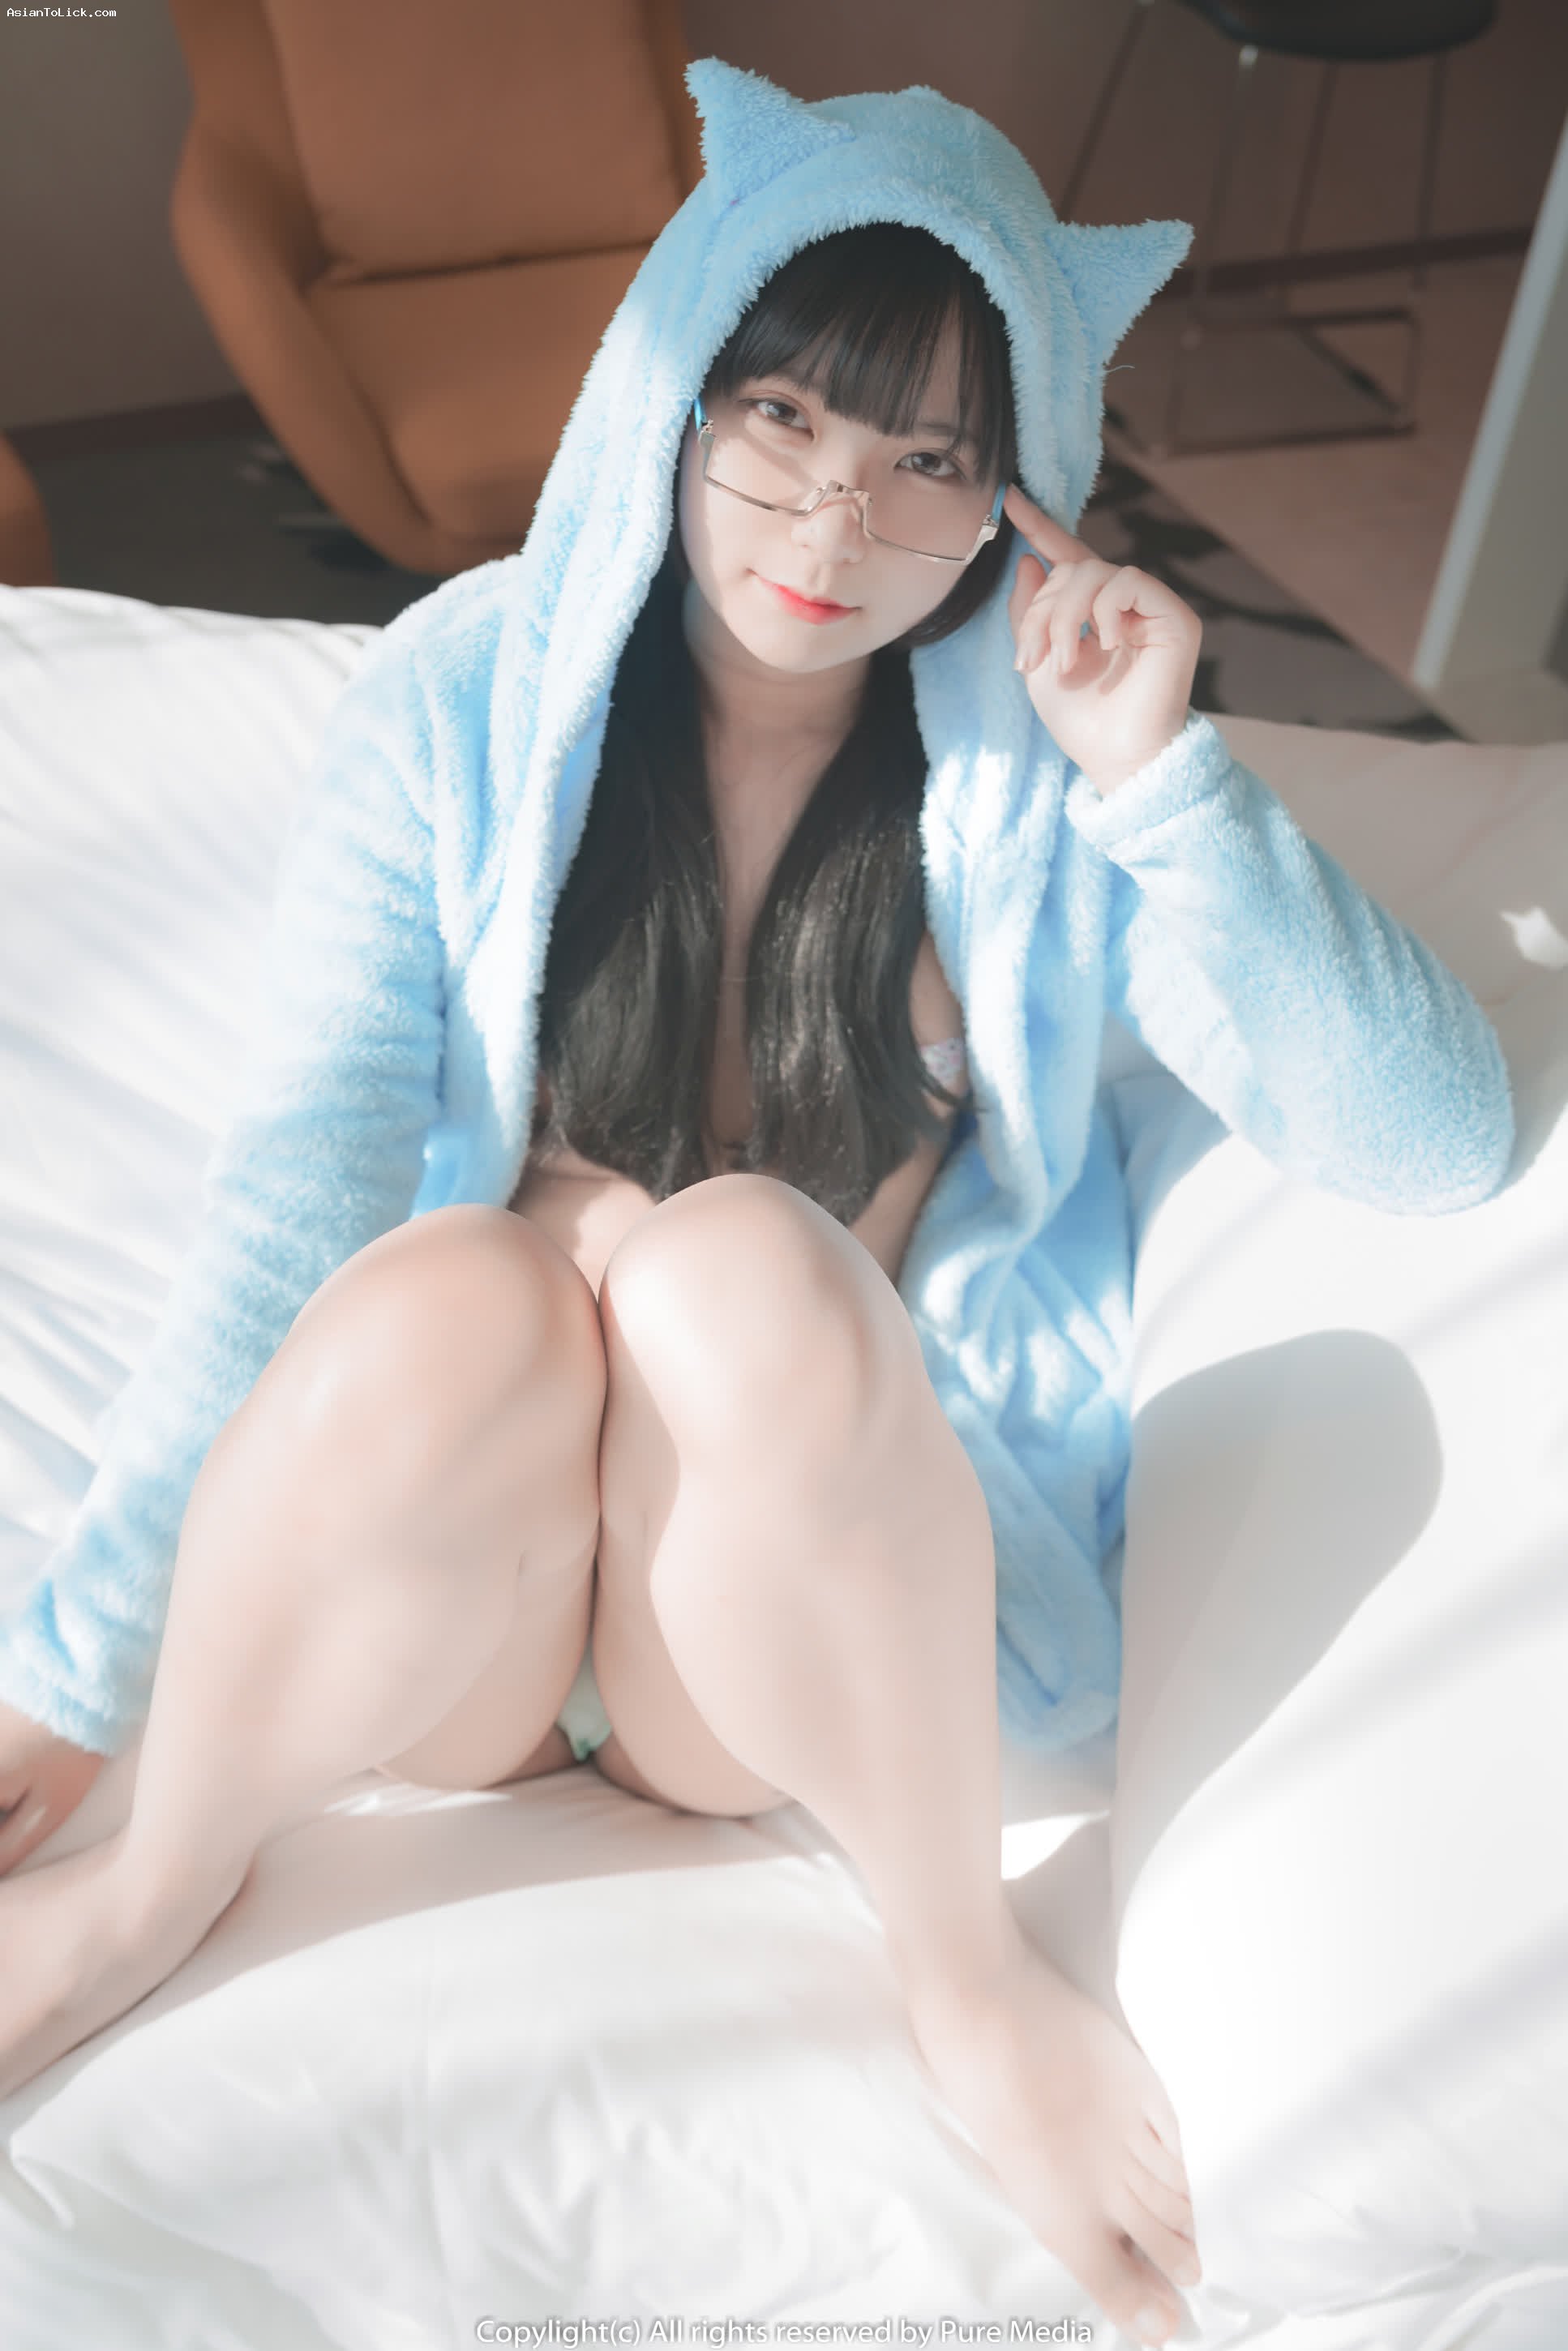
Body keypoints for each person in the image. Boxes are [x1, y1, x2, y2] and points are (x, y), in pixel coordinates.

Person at [0, 59, 1514, 2348]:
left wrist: (1163, 783)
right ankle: (144, 1891)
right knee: (451, 1290)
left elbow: (1429, 1137)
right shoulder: (467, 696)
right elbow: (295, 1184)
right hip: (459, 1603)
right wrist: (75, 1676)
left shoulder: (1020, 787)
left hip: (759, 1648)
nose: (834, 511)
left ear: (1019, 498)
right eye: (783, 413)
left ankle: (961, 1979)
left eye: (930, 459)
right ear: (675, 388)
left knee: (732, 1258)